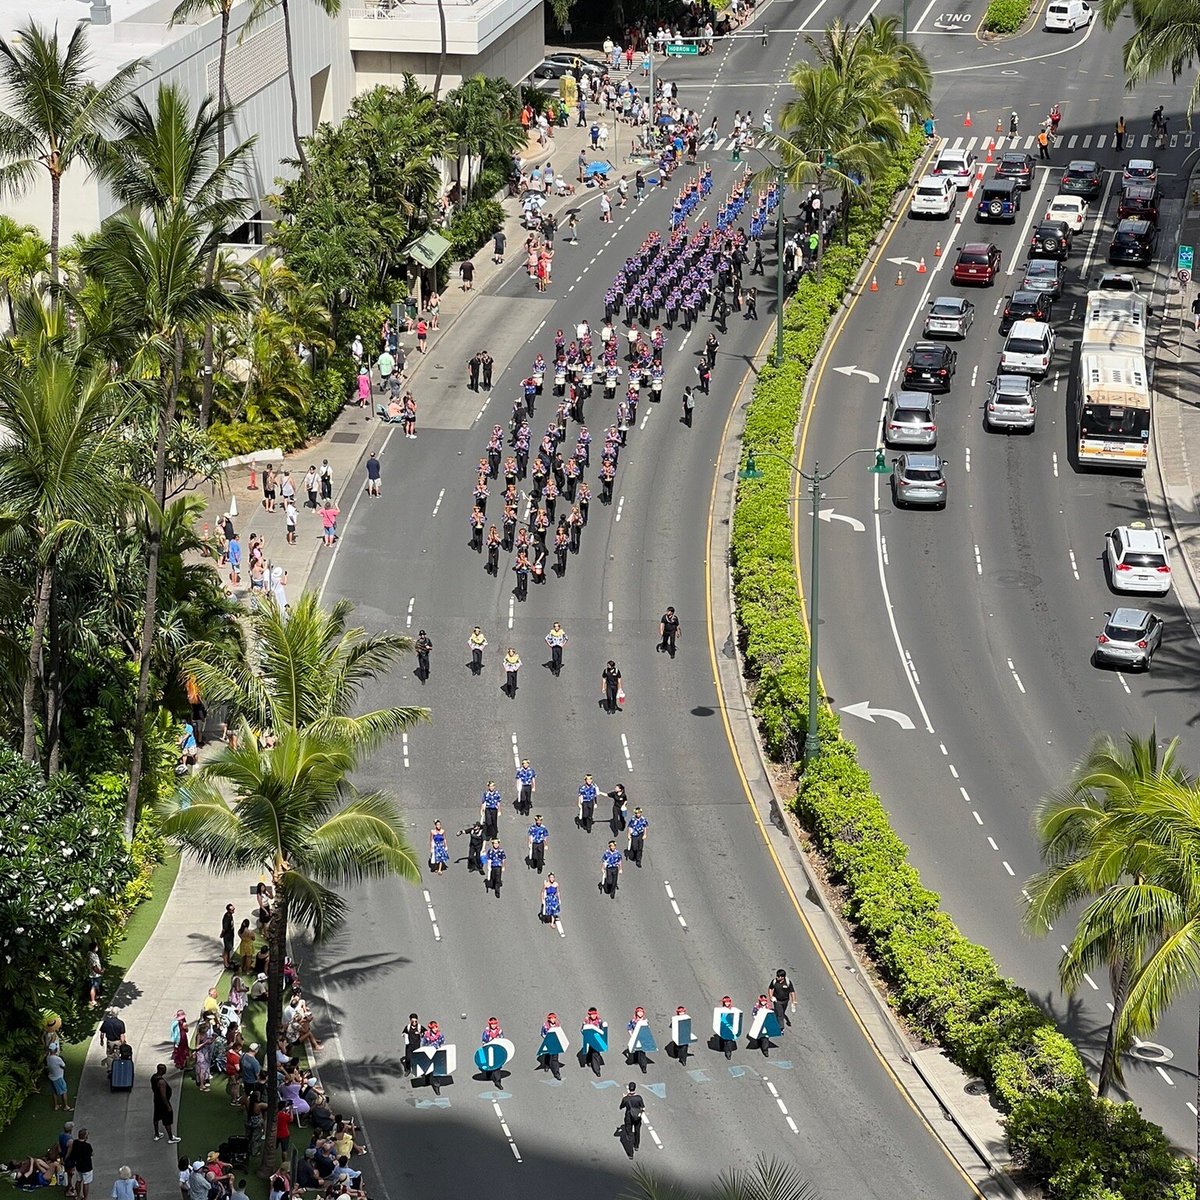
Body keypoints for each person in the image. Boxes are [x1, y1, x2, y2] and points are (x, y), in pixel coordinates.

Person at [618, 1082, 645, 1156]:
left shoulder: (626, 1099)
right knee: (637, 1131)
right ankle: (636, 1146)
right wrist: (640, 1113)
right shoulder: (639, 1097)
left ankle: (630, 1153)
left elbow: (621, 1107)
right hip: (637, 1117)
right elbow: (643, 1107)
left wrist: (624, 1098)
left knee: (629, 1135)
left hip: (629, 1117)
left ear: (629, 1089)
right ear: (635, 1088)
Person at [64, 1132, 93, 1200]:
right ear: (85, 1137)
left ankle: (78, 1195)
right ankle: (85, 1198)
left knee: (78, 1181)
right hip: (87, 1167)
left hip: (79, 1166)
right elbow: (91, 1153)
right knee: (86, 1183)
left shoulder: (75, 1142)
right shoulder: (87, 1146)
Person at [480, 1018, 505, 1086]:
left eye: (495, 1024)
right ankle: (489, 1073)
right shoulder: (487, 1032)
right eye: (492, 1024)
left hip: (497, 1050)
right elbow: (484, 1041)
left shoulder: (499, 1031)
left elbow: (502, 1039)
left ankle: (498, 1081)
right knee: (490, 1063)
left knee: (497, 1066)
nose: (493, 1025)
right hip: (489, 1050)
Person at [46, 1041, 71, 1111]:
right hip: (58, 1077)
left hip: (51, 1077)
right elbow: (64, 1066)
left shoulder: (48, 1058)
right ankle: (66, 1106)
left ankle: (56, 1105)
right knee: (64, 1091)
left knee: (54, 1092)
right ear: (56, 1050)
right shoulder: (57, 1059)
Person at [538, 1013, 564, 1079]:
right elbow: (542, 1033)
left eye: (554, 1018)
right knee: (548, 1054)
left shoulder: (557, 1024)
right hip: (548, 1042)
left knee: (555, 1058)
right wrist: (546, 1038)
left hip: (555, 1043)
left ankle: (556, 1073)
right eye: (551, 1018)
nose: (553, 1020)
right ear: (549, 1019)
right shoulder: (545, 1025)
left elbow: (559, 1032)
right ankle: (546, 1065)